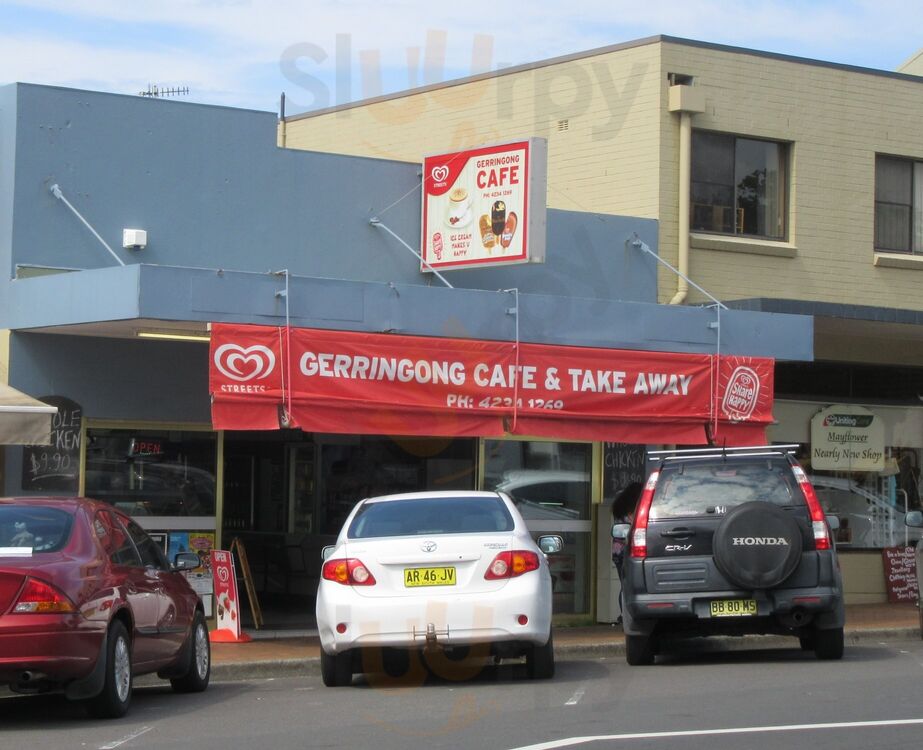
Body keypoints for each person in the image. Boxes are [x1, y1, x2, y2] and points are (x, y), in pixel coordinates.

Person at [611, 482, 643, 624]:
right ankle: (628, 616)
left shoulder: (619, 507)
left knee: (624, 586)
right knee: (630, 586)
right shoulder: (635, 510)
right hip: (629, 551)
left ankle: (624, 616)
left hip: (618, 552)